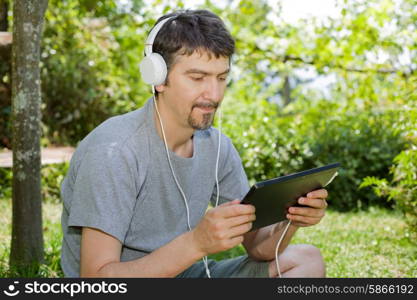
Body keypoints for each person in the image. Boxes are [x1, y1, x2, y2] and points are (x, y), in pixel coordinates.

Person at [60, 9, 328, 278]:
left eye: (221, 78)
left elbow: (259, 249)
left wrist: (291, 219)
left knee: (305, 259)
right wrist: (196, 243)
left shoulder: (217, 147)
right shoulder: (114, 152)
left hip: (183, 277)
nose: (213, 95)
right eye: (198, 78)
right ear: (158, 78)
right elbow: (95, 279)